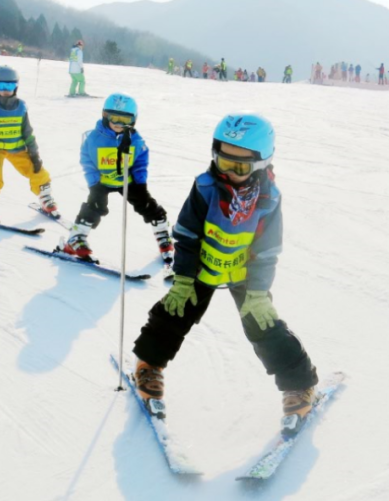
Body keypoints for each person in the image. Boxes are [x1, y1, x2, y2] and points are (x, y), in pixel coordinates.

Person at [131, 113, 319, 433]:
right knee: (176, 311)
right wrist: (184, 279)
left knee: (263, 324)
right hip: (202, 267)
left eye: (241, 167)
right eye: (223, 162)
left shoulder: (268, 199)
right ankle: (148, 364)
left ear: (261, 164)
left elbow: (267, 251)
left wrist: (258, 292)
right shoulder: (205, 187)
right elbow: (188, 235)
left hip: (244, 273)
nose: (230, 172)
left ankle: (300, 385)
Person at [61, 93, 173, 262]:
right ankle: (75, 239)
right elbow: (87, 159)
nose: (119, 124)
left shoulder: (135, 140)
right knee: (95, 206)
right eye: (115, 119)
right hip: (102, 182)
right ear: (105, 116)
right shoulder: (95, 138)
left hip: (127, 181)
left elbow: (141, 161)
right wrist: (93, 181)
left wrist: (140, 181)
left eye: (125, 120)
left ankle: (163, 234)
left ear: (133, 120)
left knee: (147, 204)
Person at [0, 66, 58, 220]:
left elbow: (27, 132)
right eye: (2, 86)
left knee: (38, 170)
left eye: (10, 86)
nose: (6, 90)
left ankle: (45, 198)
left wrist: (34, 154)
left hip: (18, 148)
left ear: (16, 86)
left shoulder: (21, 106)